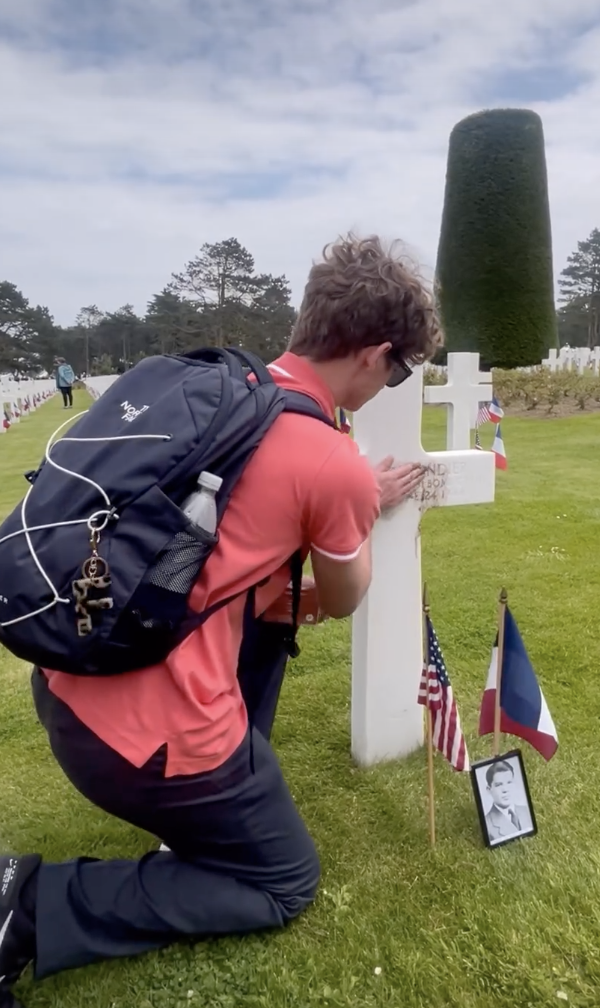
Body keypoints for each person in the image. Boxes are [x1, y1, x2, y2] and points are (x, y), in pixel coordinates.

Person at [0, 234, 442, 1006]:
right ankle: (25, 907)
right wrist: (359, 502)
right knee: (283, 881)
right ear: (374, 354)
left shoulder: (215, 393)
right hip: (152, 742)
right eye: (401, 368)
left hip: (69, 680)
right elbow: (342, 598)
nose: (394, 381)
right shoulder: (329, 459)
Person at [484, 760, 532, 842]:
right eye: (499, 785)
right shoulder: (487, 825)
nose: (505, 790)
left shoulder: (526, 810)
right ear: (489, 789)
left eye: (509, 783)